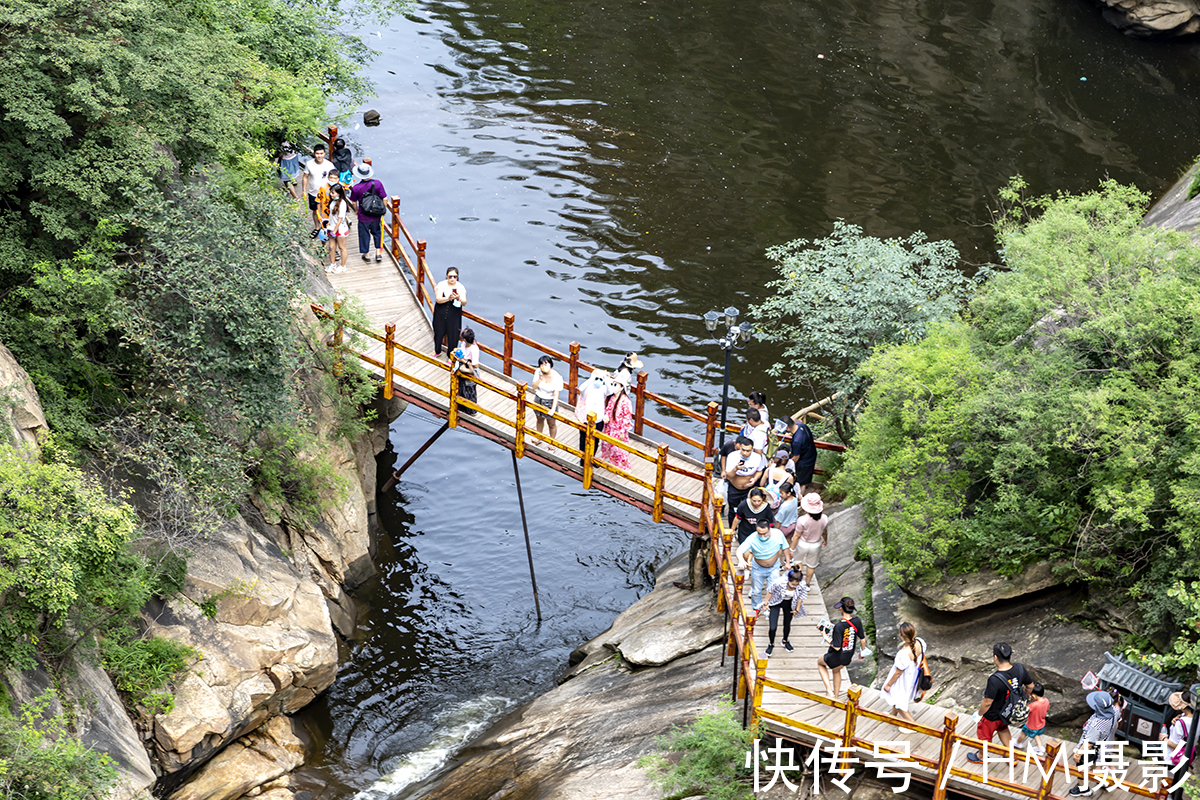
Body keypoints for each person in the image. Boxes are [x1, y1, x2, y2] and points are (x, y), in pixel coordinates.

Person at [967, 642, 1036, 764]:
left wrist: (979, 714)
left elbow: (987, 702)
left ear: (995, 657)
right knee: (1003, 729)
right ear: (1010, 656)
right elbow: (1030, 686)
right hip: (1008, 712)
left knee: (984, 736)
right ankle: (1012, 757)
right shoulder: (1020, 669)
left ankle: (982, 756)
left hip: (992, 716)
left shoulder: (995, 679)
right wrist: (1022, 697)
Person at [1066, 689, 1121, 796]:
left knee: (1081, 767)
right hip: (1103, 745)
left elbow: (1089, 743)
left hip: (1091, 749)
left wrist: (1078, 754)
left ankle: (1084, 789)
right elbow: (1116, 724)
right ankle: (1103, 781)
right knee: (1097, 765)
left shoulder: (1097, 725)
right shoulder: (1115, 711)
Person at [736, 518, 790, 611]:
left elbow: (785, 548)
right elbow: (739, 550)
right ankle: (756, 608)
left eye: (764, 533)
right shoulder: (752, 538)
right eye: (759, 534)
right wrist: (741, 560)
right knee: (756, 591)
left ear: (769, 529)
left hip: (774, 567)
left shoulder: (778, 534)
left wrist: (788, 562)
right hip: (758, 568)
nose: (762, 536)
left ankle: (770, 608)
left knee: (773, 590)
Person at [817, 597, 865, 700]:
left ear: (841, 609)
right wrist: (862, 653)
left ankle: (829, 691)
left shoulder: (839, 626)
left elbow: (837, 647)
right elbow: (863, 640)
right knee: (836, 670)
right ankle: (836, 697)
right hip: (847, 656)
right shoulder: (857, 621)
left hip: (836, 656)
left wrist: (825, 636)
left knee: (820, 662)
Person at [756, 568, 808, 657]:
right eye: (792, 584)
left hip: (790, 603)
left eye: (796, 584)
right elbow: (770, 591)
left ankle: (785, 640)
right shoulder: (779, 582)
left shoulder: (802, 585)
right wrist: (765, 604)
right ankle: (771, 644)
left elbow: (800, 598)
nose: (794, 586)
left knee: (787, 624)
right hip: (776, 602)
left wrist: (797, 609)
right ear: (788, 580)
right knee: (773, 627)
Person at [881, 622, 925, 724]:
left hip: (903, 679)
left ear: (901, 636)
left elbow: (898, 673)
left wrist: (888, 685)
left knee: (898, 702)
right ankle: (892, 716)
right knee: (898, 697)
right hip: (913, 676)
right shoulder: (920, 643)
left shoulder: (903, 653)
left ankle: (913, 725)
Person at [349, 162, 387, 263]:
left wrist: (356, 210)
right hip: (376, 214)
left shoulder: (356, 188)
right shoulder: (378, 183)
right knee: (377, 232)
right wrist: (384, 210)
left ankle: (367, 255)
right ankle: (378, 253)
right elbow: (385, 198)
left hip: (363, 215)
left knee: (364, 234)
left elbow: (353, 202)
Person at [789, 493, 829, 587]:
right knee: (811, 565)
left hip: (803, 543)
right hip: (816, 544)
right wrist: (825, 540)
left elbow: (797, 536)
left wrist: (792, 548)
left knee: (798, 561)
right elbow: (824, 532)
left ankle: (798, 581)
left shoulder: (802, 520)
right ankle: (807, 584)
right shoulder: (824, 518)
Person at [724, 435, 765, 524]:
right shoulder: (732, 456)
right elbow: (728, 476)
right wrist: (736, 469)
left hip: (749, 489)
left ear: (752, 449)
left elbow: (759, 471)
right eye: (743, 450)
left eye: (748, 451)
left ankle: (745, 529)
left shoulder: (757, 457)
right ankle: (732, 529)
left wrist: (754, 479)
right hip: (735, 488)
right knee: (733, 510)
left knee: (749, 509)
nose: (745, 453)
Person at [574, 370, 609, 462]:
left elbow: (610, 391)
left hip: (599, 419)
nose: (598, 380)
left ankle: (592, 458)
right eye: (597, 378)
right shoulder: (587, 387)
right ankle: (583, 459)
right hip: (586, 418)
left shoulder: (603, 388)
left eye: (600, 379)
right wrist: (592, 377)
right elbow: (581, 388)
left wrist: (606, 378)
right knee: (583, 439)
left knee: (596, 440)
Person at [1164, 691, 1194, 800]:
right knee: (1179, 781)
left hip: (1174, 757)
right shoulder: (1197, 718)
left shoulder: (1181, 723)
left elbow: (1175, 744)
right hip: (1187, 755)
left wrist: (1164, 739)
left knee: (1170, 783)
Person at [600, 373, 633, 469]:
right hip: (610, 427)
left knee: (619, 449)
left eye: (616, 385)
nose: (613, 387)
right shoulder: (611, 398)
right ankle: (611, 462)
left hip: (619, 429)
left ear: (622, 387)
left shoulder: (625, 401)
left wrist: (623, 430)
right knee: (607, 445)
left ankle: (623, 467)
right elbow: (608, 409)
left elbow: (627, 417)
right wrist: (605, 415)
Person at [530, 355, 565, 446]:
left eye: (546, 364)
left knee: (551, 423)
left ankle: (552, 443)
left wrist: (553, 409)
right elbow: (534, 387)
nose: (544, 366)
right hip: (539, 398)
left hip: (549, 400)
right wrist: (540, 378)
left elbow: (556, 394)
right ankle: (539, 437)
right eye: (541, 364)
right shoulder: (538, 372)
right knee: (539, 419)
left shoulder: (557, 377)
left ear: (550, 364)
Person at [432, 268, 466, 357]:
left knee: (453, 335)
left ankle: (451, 356)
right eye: (450, 276)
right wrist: (448, 298)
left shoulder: (460, 287)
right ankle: (437, 350)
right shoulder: (441, 285)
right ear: (447, 276)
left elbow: (464, 302)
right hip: (441, 313)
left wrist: (458, 298)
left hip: (454, 315)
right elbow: (438, 299)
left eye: (455, 277)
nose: (452, 278)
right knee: (438, 332)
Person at [301, 144, 335, 231]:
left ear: (324, 154)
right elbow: (305, 176)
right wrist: (304, 190)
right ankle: (317, 227)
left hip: (326, 193)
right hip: (313, 192)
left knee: (328, 210)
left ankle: (328, 226)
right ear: (314, 154)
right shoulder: (309, 164)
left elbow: (334, 178)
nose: (319, 156)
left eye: (321, 153)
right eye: (317, 153)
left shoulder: (329, 165)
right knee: (315, 211)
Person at [781, 416, 819, 494]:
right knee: (804, 478)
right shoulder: (802, 425)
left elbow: (796, 457)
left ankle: (800, 499)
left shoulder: (796, 441)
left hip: (805, 461)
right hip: (811, 453)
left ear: (787, 428)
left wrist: (787, 465)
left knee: (802, 482)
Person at [1014, 683, 1050, 756]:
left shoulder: (1033, 705)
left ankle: (1017, 743)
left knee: (1023, 733)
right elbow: (1047, 707)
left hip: (1031, 725)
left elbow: (1025, 711)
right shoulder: (1046, 701)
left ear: (1033, 696)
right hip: (1041, 724)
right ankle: (1040, 747)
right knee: (1036, 735)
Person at [324, 183, 352, 273]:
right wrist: (329, 223)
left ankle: (343, 265)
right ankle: (332, 263)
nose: (331, 194)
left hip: (340, 229)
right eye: (331, 192)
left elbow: (340, 218)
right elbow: (332, 215)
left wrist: (335, 230)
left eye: (333, 193)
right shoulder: (332, 202)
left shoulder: (342, 203)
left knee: (342, 247)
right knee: (332, 247)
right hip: (332, 227)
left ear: (339, 193)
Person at [453, 327, 479, 415]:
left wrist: (463, 360)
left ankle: (472, 411)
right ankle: (461, 407)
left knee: (470, 391)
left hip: (470, 369)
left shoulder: (474, 349)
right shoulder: (464, 344)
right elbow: (461, 350)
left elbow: (475, 365)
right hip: (463, 366)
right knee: (461, 388)